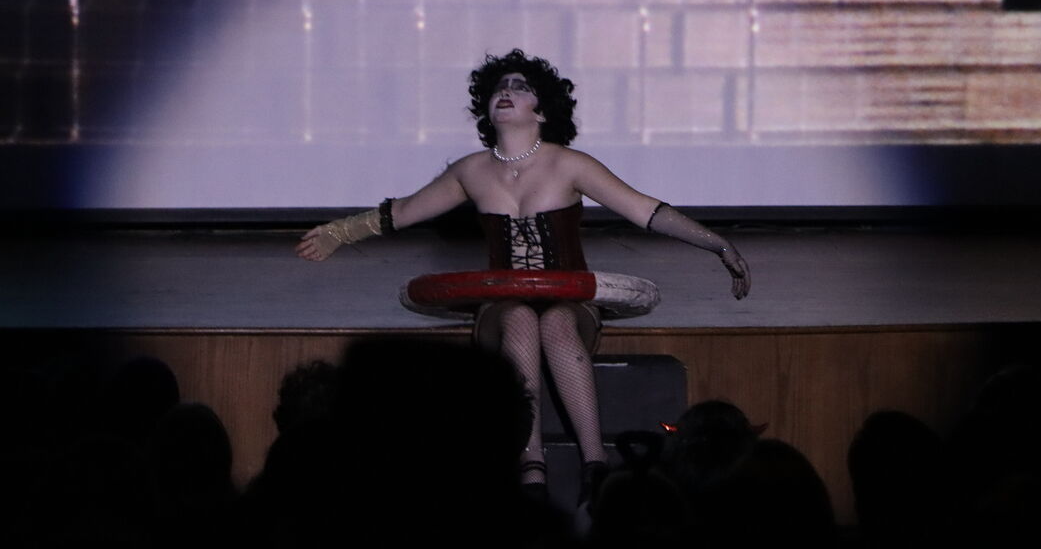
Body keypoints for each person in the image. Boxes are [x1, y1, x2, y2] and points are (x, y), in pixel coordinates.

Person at [296, 49, 750, 504]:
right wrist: (339, 232)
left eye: (520, 87)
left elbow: (645, 210)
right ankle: (531, 468)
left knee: (554, 320)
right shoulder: (470, 171)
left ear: (543, 110)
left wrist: (719, 244)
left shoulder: (570, 164)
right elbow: (404, 211)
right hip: (500, 309)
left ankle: (595, 465)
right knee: (518, 316)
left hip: (570, 307)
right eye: (499, 87)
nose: (506, 93)